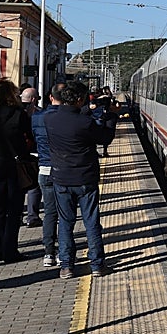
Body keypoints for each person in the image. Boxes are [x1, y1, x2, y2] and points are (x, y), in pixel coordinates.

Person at [45, 80, 116, 278]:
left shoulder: (49, 120)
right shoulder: (85, 122)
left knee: (65, 222)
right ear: (79, 100)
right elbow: (104, 138)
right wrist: (109, 117)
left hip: (61, 178)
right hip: (86, 178)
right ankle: (97, 264)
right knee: (91, 221)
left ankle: (66, 265)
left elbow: (71, 120)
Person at [0, 79, 35, 263]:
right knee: (14, 208)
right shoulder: (17, 113)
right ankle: (10, 250)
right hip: (14, 163)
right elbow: (28, 135)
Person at [31, 82, 64, 267]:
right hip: (64, 170)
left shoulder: (36, 118)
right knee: (65, 214)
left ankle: (48, 253)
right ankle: (63, 253)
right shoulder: (69, 118)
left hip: (44, 168)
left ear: (51, 97)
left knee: (50, 213)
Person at [20, 86, 43, 227]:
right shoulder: (38, 114)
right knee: (34, 185)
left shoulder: (13, 112)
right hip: (34, 153)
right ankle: (32, 216)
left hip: (16, 154)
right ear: (34, 99)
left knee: (19, 186)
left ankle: (16, 215)